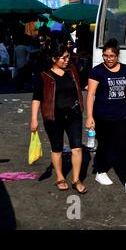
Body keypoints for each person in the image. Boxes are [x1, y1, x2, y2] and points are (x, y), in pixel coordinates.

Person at [30, 43, 87, 194]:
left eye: (68, 57)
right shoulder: (44, 75)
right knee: (57, 149)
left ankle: (76, 179)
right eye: (64, 57)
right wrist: (34, 119)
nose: (67, 60)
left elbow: (83, 84)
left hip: (74, 115)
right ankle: (60, 177)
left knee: (77, 147)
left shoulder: (72, 70)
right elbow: (37, 98)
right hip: (53, 117)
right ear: (54, 58)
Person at [85, 38, 126, 194]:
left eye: (111, 56)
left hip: (121, 115)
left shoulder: (125, 69)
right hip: (103, 116)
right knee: (105, 145)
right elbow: (91, 94)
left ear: (117, 55)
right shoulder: (97, 71)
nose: (108, 59)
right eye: (105, 55)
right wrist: (89, 116)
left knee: (122, 147)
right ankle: (100, 171)